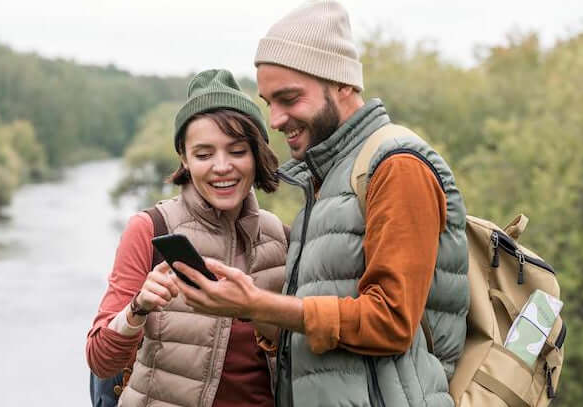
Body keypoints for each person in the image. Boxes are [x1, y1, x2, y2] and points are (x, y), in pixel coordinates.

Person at [172, 2, 470, 406]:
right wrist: (251, 308)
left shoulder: (397, 165)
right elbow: (322, 329)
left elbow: (391, 324)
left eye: (289, 98)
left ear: (343, 84)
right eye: (268, 102)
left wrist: (260, 302)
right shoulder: (325, 177)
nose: (275, 120)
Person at [86, 69, 288, 407]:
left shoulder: (280, 238)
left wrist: (262, 317)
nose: (222, 167)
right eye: (204, 154)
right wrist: (137, 309)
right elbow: (100, 360)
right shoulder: (151, 229)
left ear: (256, 153)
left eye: (237, 151)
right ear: (184, 158)